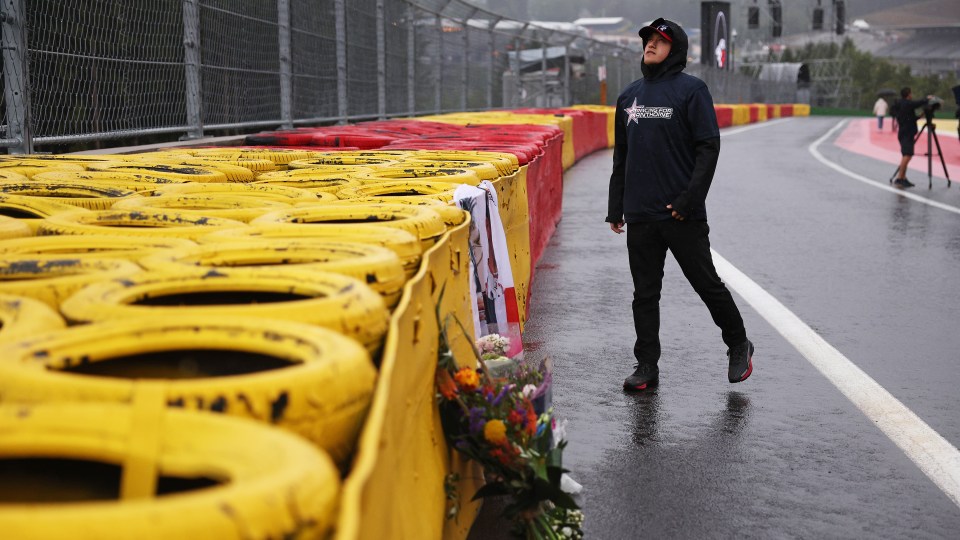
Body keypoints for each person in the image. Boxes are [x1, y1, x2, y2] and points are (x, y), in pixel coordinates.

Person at [605, 17, 753, 392]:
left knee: (706, 284)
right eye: (648, 39)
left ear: (677, 48)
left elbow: (708, 147)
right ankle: (646, 365)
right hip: (640, 214)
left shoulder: (692, 90)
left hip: (681, 212)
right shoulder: (628, 97)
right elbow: (621, 156)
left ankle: (738, 343)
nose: (651, 45)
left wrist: (690, 199)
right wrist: (616, 206)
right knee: (644, 294)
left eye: (660, 40)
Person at [892, 87, 933, 189]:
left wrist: (920, 116)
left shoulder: (902, 105)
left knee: (907, 155)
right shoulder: (906, 103)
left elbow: (910, 118)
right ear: (908, 95)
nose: (912, 95)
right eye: (911, 93)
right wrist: (927, 99)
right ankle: (900, 178)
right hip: (906, 133)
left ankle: (903, 178)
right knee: (907, 155)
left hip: (905, 133)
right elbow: (917, 103)